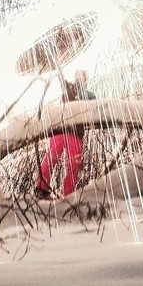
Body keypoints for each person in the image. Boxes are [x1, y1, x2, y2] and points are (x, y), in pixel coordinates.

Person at [36, 69, 94, 198]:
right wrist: (65, 83)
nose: (78, 76)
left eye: (82, 74)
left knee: (73, 164)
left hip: (76, 132)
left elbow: (90, 107)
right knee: (51, 157)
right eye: (77, 74)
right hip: (60, 128)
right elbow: (66, 97)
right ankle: (41, 188)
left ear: (86, 78)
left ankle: (69, 194)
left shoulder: (89, 95)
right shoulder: (68, 88)